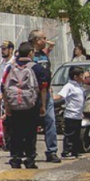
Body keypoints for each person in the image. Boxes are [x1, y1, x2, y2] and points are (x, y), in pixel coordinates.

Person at [2, 42, 49, 169]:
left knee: (16, 131)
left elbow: (4, 87)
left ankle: (16, 158)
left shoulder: (11, 67)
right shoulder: (37, 68)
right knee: (30, 132)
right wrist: (43, 105)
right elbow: (43, 88)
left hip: (14, 105)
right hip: (31, 105)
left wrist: (7, 106)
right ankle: (29, 158)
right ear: (30, 53)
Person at [29, 30, 61, 163]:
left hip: (46, 93)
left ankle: (52, 151)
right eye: (43, 38)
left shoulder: (43, 54)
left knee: (50, 122)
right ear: (37, 40)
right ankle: (30, 152)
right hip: (32, 94)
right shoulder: (28, 54)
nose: (46, 40)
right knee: (30, 125)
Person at [53, 66, 85, 160]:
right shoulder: (69, 86)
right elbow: (60, 96)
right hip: (71, 115)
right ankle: (66, 151)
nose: (83, 76)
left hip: (78, 115)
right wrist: (50, 99)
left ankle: (75, 151)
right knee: (69, 134)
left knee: (76, 134)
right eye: (81, 75)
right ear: (75, 77)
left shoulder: (79, 85)